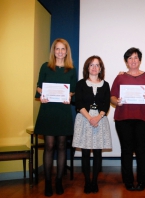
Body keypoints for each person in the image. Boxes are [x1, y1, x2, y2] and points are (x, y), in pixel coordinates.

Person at [110, 47, 145, 191]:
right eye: (130, 58)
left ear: (140, 60)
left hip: (143, 119)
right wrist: (116, 101)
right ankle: (128, 181)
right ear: (126, 61)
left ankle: (143, 180)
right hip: (123, 118)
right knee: (126, 150)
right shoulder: (120, 77)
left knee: (142, 150)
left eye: (136, 57)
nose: (133, 60)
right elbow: (112, 96)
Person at [34, 38, 77, 197]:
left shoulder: (71, 69)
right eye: (57, 49)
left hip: (63, 111)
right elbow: (39, 85)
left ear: (67, 51)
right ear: (54, 51)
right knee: (49, 146)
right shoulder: (45, 66)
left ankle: (59, 180)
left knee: (61, 146)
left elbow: (73, 90)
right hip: (48, 111)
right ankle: (47, 182)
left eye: (63, 49)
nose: (60, 52)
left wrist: (70, 95)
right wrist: (42, 94)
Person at [72, 55, 112, 194]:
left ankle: (94, 181)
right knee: (85, 153)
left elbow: (106, 104)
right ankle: (87, 182)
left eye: (97, 65)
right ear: (87, 67)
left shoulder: (105, 85)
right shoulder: (81, 84)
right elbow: (79, 103)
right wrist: (90, 118)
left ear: (100, 68)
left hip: (100, 121)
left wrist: (98, 117)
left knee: (97, 153)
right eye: (91, 65)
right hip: (84, 119)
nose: (94, 67)